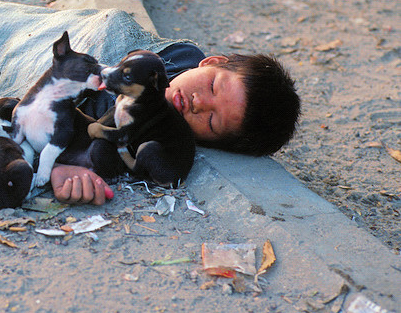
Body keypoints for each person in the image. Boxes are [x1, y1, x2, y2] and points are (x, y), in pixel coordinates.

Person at [50, 41, 301, 206]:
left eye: (212, 121)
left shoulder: (145, 136)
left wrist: (58, 165)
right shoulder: (178, 56)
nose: (198, 102)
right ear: (211, 62)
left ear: (210, 143)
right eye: (212, 85)